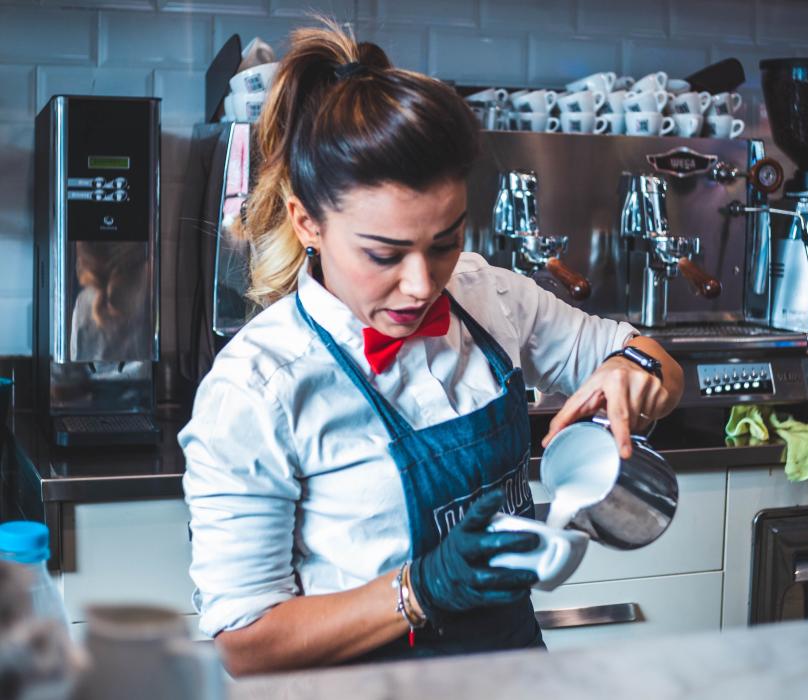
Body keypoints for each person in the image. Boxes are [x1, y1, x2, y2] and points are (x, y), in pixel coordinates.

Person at [178, 19, 684, 676]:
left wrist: (636, 370)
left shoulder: (486, 294)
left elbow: (645, 354)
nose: (421, 285)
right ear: (307, 221)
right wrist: (418, 591)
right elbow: (244, 642)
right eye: (384, 254)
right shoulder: (257, 390)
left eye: (444, 241)